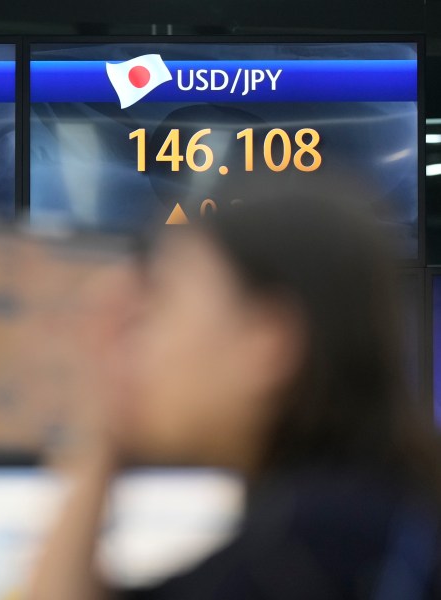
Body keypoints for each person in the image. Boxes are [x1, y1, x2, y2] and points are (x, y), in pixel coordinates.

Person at [30, 191, 441, 599]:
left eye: (161, 306)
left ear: (268, 342)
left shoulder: (305, 554)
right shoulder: (368, 518)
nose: (138, 347)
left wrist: (97, 435)